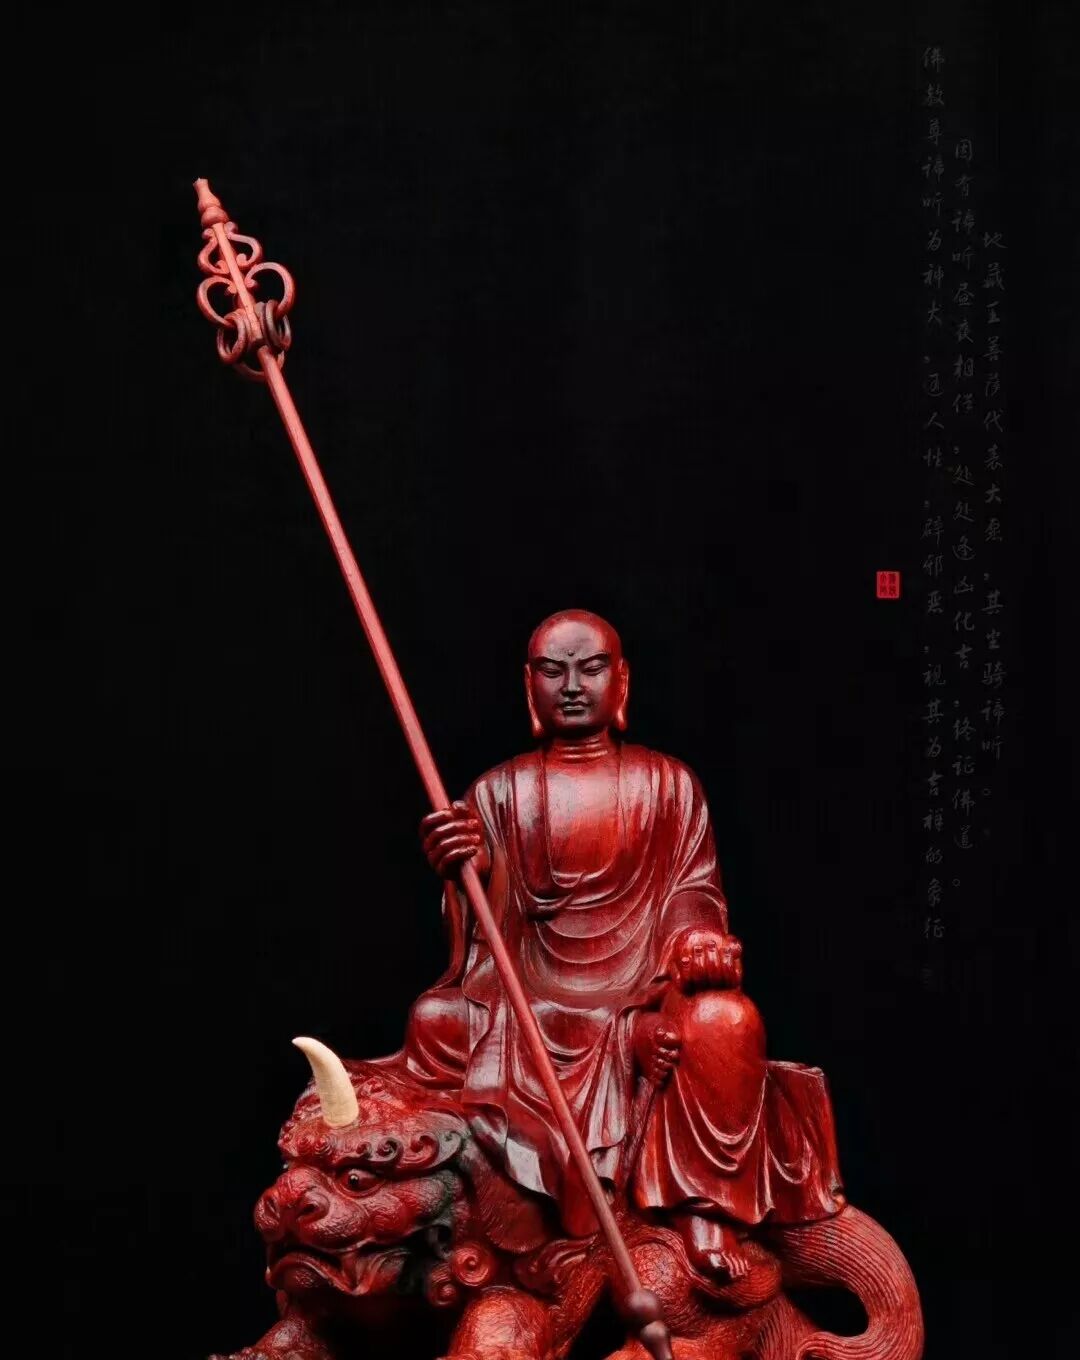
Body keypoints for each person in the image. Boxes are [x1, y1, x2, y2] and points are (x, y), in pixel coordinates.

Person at [397, 609, 843, 1281]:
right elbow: (484, 943)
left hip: (640, 988)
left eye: (591, 669)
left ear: (623, 681)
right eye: (553, 672)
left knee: (726, 1020)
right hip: (534, 1001)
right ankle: (609, 1071)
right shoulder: (497, 790)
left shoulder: (669, 784)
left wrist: (697, 942)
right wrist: (469, 872)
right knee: (435, 1020)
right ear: (529, 686)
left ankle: (702, 1207)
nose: (573, 686)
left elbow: (693, 892)